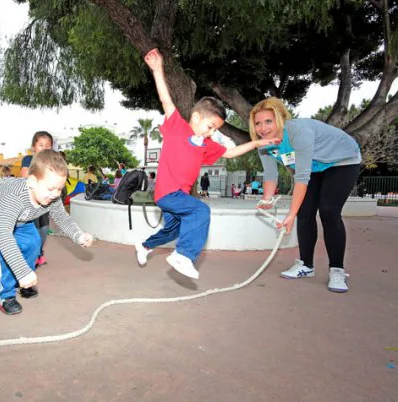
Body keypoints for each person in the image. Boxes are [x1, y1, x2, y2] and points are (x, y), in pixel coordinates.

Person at [134, 49, 280, 279]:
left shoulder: (206, 144)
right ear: (195, 118)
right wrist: (157, 69)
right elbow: (166, 100)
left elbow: (231, 152)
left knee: (173, 228)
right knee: (201, 210)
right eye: (210, 126)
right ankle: (183, 255)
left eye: (215, 129)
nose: (212, 132)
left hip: (177, 196)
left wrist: (256, 143)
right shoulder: (177, 128)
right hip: (166, 192)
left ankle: (144, 246)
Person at [251, 97, 361, 293]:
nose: (263, 128)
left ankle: (337, 270)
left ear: (280, 119)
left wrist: (290, 214)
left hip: (341, 160)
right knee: (305, 212)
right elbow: (270, 175)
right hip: (315, 167)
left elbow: (301, 177)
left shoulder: (297, 132)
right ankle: (306, 265)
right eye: (258, 123)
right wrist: (266, 199)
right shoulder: (264, 145)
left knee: (328, 211)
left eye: (268, 121)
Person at [0, 150, 94, 314]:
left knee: (33, 243)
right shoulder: (14, 197)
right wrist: (21, 271)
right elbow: (4, 235)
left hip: (22, 216)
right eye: (51, 189)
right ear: (32, 181)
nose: (55, 194)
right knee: (0, 247)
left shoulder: (51, 196)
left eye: (59, 189)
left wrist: (79, 235)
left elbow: (62, 217)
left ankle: (23, 281)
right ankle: (4, 295)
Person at [21, 131, 54, 267]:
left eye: (48, 145)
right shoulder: (28, 160)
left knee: (44, 228)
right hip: (32, 201)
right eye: (41, 145)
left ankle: (39, 252)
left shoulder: (52, 162)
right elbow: (25, 176)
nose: (44, 148)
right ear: (34, 147)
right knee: (33, 228)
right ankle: (33, 255)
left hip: (46, 201)